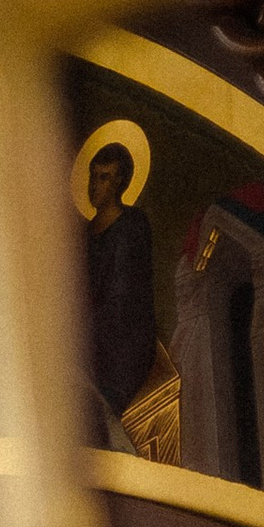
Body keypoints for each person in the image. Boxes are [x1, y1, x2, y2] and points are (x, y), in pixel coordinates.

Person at [82, 138, 159, 426]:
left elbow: (124, 299)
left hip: (124, 342)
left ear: (120, 183)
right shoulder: (86, 233)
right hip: (94, 332)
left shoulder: (132, 225)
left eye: (104, 178)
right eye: (93, 176)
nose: (94, 186)